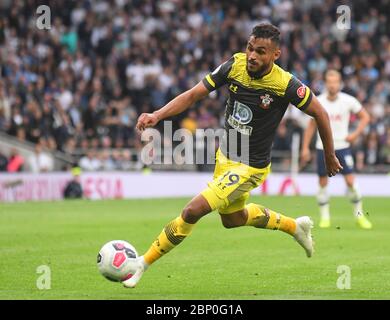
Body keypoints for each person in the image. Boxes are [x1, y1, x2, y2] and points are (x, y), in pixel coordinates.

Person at [124, 24, 342, 288]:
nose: (252, 55)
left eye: (260, 51)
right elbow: (194, 94)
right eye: (250, 48)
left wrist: (329, 154)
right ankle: (294, 227)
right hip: (225, 157)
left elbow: (321, 113)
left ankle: (141, 263)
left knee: (192, 211)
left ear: (276, 55)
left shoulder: (285, 84)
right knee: (232, 220)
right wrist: (157, 115)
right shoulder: (234, 65)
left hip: (251, 167)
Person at [301, 70, 372, 229]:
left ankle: (359, 215)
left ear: (339, 83)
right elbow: (311, 126)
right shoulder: (318, 102)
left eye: (335, 81)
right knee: (322, 182)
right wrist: (305, 147)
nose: (332, 85)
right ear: (326, 83)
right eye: (329, 81)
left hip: (343, 147)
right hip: (322, 149)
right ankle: (325, 218)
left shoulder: (348, 101)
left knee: (350, 181)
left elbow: (365, 117)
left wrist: (355, 134)